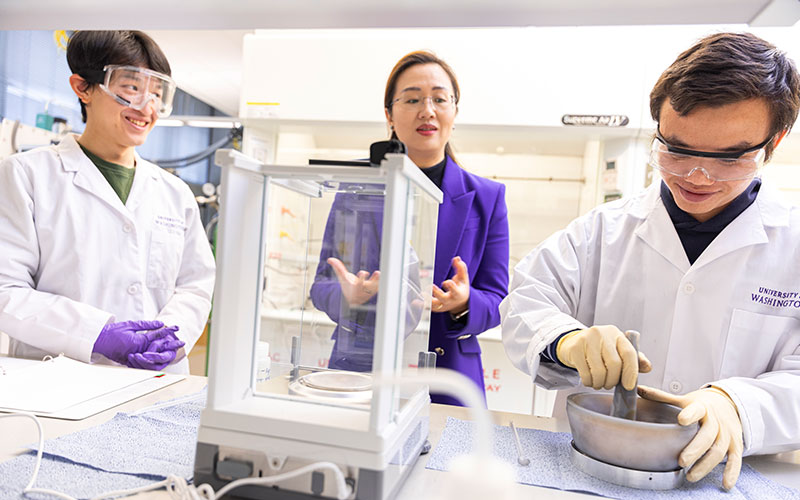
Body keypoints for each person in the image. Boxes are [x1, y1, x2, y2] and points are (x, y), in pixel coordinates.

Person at [501, 31, 800, 490]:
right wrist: (565, 341)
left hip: (730, 480)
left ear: (773, 142)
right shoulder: (602, 230)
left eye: (729, 158)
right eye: (676, 150)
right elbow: (525, 302)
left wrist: (737, 404)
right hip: (589, 475)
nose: (698, 176)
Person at [0, 31, 216, 373]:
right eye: (131, 89)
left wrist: (172, 336)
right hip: (59, 382)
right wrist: (95, 334)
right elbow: (5, 290)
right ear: (83, 87)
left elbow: (195, 286)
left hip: (157, 382)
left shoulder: (174, 194)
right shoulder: (26, 176)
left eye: (157, 94)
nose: (147, 108)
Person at [310, 51, 510, 406]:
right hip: (361, 373)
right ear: (389, 114)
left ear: (454, 111)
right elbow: (322, 286)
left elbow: (496, 300)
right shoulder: (356, 184)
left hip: (447, 379)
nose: (427, 110)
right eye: (413, 99)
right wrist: (348, 297)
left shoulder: (487, 198)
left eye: (439, 99)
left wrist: (464, 303)